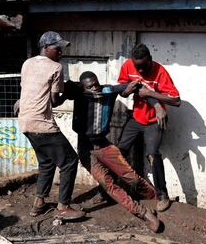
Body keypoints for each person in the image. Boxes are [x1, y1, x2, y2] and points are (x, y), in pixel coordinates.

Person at [64, 71, 166, 232]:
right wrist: (25, 100)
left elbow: (137, 87)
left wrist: (157, 105)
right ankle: (144, 213)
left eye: (96, 83)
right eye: (90, 86)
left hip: (104, 145)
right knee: (108, 184)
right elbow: (54, 90)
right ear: (83, 87)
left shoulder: (108, 91)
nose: (95, 88)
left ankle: (155, 198)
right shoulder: (78, 92)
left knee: (132, 178)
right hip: (85, 149)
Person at [18, 31, 85, 220]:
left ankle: (39, 204)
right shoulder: (56, 67)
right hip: (42, 124)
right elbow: (54, 102)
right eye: (58, 48)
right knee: (69, 161)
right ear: (46, 48)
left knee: (47, 162)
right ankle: (63, 206)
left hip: (25, 122)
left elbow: (31, 90)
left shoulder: (27, 63)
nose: (61, 52)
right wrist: (69, 91)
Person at [117, 43, 181, 213]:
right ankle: (116, 188)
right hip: (136, 117)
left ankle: (162, 195)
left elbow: (176, 100)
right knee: (119, 151)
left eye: (144, 66)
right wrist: (128, 89)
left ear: (150, 60)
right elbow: (123, 91)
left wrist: (152, 95)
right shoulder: (128, 66)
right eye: (138, 67)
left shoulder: (160, 72)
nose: (142, 71)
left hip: (154, 121)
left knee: (152, 154)